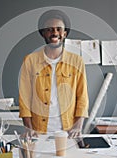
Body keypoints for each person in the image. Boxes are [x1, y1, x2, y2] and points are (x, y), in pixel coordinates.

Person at [18, 9, 89, 139]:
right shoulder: (30, 60)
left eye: (59, 29)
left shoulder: (77, 61)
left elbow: (82, 97)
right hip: (38, 131)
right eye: (49, 29)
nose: (55, 33)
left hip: (68, 131)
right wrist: (28, 127)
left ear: (65, 33)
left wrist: (78, 127)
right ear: (43, 33)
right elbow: (25, 98)